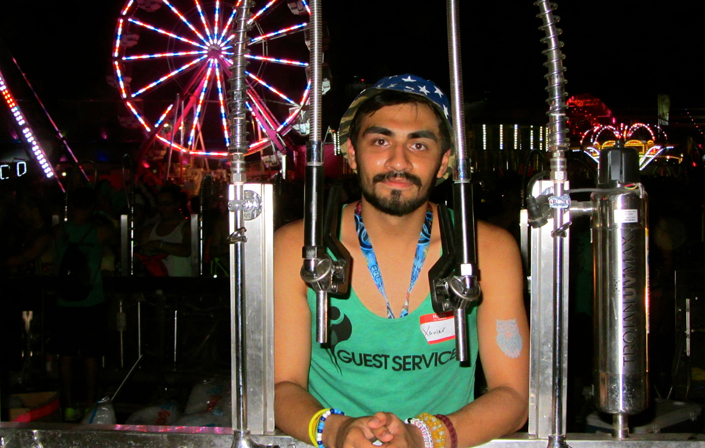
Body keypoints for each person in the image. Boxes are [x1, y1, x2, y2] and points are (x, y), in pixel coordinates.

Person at [273, 74, 529, 448]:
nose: (398, 161)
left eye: (419, 145)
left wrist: (421, 436)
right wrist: (339, 431)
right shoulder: (297, 247)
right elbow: (281, 386)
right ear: (351, 153)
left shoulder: (487, 250)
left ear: (444, 162)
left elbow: (513, 396)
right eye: (380, 141)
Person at [54, 187, 115, 421]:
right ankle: (90, 403)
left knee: (66, 355)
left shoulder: (60, 231)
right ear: (91, 207)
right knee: (91, 354)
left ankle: (69, 405)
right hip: (92, 299)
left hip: (65, 300)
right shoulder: (100, 231)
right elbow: (119, 233)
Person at [139, 185, 192, 277]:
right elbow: (140, 259)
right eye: (159, 204)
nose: (162, 208)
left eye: (167, 204)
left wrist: (159, 245)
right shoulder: (148, 230)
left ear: (177, 204)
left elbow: (186, 250)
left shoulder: (187, 227)